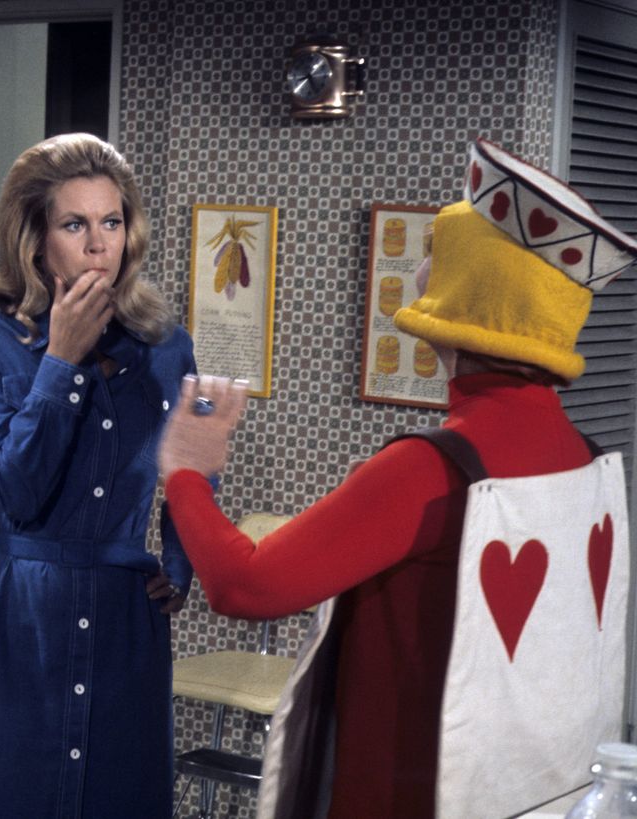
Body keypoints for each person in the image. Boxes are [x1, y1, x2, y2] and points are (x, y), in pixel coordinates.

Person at [157, 138, 635, 818]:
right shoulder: (587, 459)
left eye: (437, 252)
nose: (418, 269)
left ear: (469, 288)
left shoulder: (430, 468)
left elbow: (246, 586)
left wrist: (187, 470)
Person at [0, 133, 196, 818]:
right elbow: (12, 492)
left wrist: (182, 563)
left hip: (124, 617)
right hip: (20, 613)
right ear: (35, 240)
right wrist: (61, 362)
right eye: (75, 225)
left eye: (112, 222)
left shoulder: (165, 345)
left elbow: (194, 465)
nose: (99, 244)